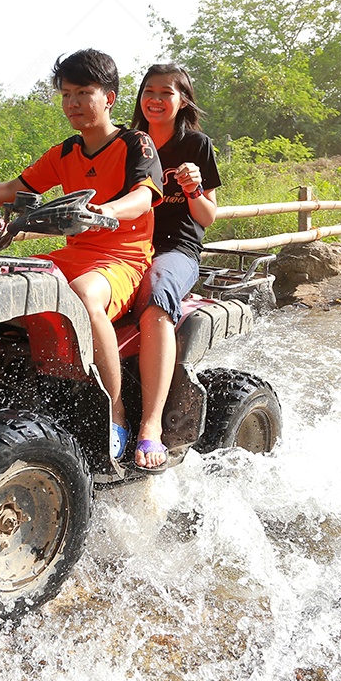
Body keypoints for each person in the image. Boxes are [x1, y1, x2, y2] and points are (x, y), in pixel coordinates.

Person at [0, 49, 163, 460]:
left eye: (83, 92)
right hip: (74, 252)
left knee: (83, 294)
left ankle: (114, 410)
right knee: (1, 281)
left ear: (109, 97)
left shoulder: (136, 143)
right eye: (65, 94)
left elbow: (141, 198)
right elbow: (12, 190)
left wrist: (104, 213)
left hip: (121, 258)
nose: (72, 104)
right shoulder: (65, 153)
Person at [128, 63, 221, 470]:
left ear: (183, 100)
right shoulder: (129, 144)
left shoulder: (196, 145)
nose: (155, 99)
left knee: (156, 292)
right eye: (149, 90)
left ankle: (150, 427)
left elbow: (207, 217)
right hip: (127, 245)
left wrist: (194, 188)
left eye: (166, 92)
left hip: (175, 250)